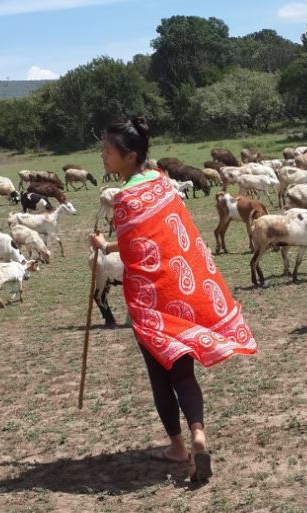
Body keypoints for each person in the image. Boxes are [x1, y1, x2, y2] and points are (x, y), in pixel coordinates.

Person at [89, 117, 257, 482]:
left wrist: (106, 247)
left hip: (151, 299)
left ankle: (178, 447)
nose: (102, 155)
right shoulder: (161, 183)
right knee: (182, 372)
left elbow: (135, 255)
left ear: (128, 155)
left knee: (159, 376)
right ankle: (199, 432)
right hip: (182, 292)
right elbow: (165, 236)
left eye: (107, 150)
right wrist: (111, 244)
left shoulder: (125, 198)